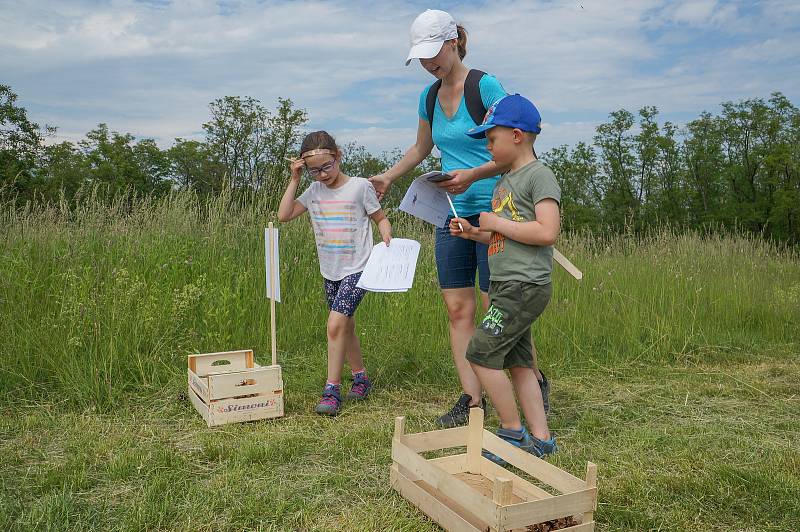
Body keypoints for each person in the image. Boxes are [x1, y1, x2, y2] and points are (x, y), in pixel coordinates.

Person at [370, 9, 550, 427]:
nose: (429, 64)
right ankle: (472, 401)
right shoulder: (428, 97)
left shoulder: (484, 86)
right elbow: (420, 149)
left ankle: (533, 385)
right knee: (457, 308)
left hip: (497, 211)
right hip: (450, 212)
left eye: (434, 53)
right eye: (421, 58)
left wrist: (472, 175)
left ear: (454, 43)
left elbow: (512, 148)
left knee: (498, 306)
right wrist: (389, 177)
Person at [449, 94, 559, 461]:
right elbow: (504, 234)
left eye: (491, 139)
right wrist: (473, 232)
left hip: (524, 286)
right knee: (519, 362)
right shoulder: (504, 183)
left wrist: (495, 222)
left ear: (516, 135)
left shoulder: (538, 175)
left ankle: (512, 433)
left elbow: (546, 232)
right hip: (507, 285)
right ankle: (541, 440)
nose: (487, 147)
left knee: (480, 353)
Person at [278, 131, 392, 416]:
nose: (322, 175)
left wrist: (387, 241)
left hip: (359, 267)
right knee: (346, 326)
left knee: (334, 324)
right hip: (330, 270)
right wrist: (294, 180)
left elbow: (380, 218)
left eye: (327, 166)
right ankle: (361, 377)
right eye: (314, 171)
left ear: (338, 157)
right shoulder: (313, 192)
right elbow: (284, 215)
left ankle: (332, 389)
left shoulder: (360, 187)